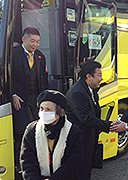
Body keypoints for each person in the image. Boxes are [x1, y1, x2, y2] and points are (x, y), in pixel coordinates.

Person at [20, 90, 83, 180]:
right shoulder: (32, 130)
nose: (44, 112)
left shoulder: (72, 131)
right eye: (41, 109)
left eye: (48, 109)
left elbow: (73, 163)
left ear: (59, 112)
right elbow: (27, 161)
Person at [66, 60, 111, 180]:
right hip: (79, 140)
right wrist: (109, 125)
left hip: (88, 138)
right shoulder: (77, 92)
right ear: (89, 76)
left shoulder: (91, 89)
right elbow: (86, 118)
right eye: (99, 75)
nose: (101, 78)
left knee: (87, 170)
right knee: (80, 172)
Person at [11, 27, 49, 168]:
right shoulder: (13, 55)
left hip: (36, 100)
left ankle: (35, 161)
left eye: (37, 42)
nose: (35, 44)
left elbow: (44, 79)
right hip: (20, 100)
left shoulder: (40, 56)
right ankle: (21, 164)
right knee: (22, 132)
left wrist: (45, 99)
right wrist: (13, 94)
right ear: (23, 39)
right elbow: (7, 78)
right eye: (32, 41)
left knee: (37, 131)